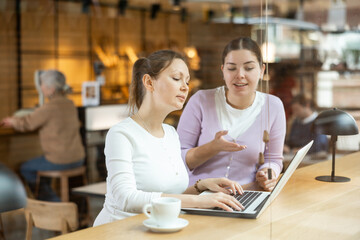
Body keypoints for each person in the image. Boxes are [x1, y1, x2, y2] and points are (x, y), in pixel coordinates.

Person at [93, 50, 244, 226]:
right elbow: (125, 198)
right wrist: (199, 202)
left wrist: (200, 187)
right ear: (149, 82)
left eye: (187, 81)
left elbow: (168, 195)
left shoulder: (171, 133)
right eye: (176, 78)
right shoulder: (121, 134)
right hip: (120, 230)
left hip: (160, 228)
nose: (185, 87)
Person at [177, 37, 286, 191]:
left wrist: (268, 173)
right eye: (232, 68)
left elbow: (273, 159)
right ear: (223, 71)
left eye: (248, 68)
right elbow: (177, 161)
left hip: (247, 195)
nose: (240, 75)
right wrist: (212, 148)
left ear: (261, 71)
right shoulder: (201, 101)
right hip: (200, 197)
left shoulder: (273, 106)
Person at [1, 70, 85, 201]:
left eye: (42, 85)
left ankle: (54, 205)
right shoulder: (70, 104)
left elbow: (27, 123)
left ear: (51, 89)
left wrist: (12, 121)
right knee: (42, 170)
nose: (40, 87)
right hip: (78, 158)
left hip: (59, 160)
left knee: (26, 168)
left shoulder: (49, 107)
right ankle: (68, 206)